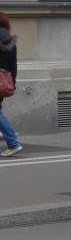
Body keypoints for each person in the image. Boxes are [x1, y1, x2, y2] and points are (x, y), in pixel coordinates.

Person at [0, 11, 21, 157]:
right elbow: (13, 66)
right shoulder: (10, 41)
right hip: (3, 80)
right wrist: (13, 82)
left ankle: (13, 143)